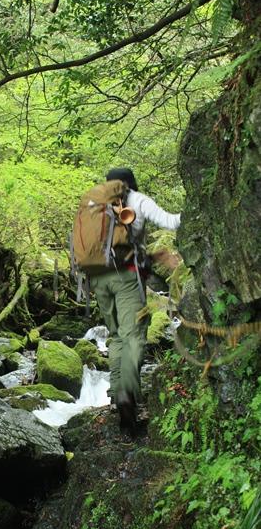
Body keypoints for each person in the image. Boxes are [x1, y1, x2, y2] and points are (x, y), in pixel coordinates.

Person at [90, 167, 181, 436]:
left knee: (117, 337)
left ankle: (117, 394)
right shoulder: (138, 200)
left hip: (99, 280)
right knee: (133, 338)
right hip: (127, 278)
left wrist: (152, 257)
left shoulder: (96, 204)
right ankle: (127, 396)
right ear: (132, 183)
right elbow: (171, 222)